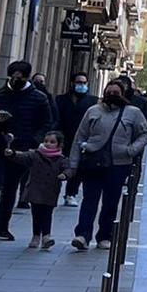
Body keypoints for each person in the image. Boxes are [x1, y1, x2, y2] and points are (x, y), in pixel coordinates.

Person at [68, 81, 147, 252]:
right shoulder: (93, 111)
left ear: (123, 94)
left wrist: (131, 150)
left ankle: (105, 236)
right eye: (110, 91)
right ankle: (82, 235)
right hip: (93, 161)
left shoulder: (133, 113)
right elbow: (80, 136)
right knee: (89, 199)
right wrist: (73, 164)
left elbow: (145, 133)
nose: (112, 95)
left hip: (118, 164)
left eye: (116, 92)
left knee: (110, 202)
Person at [0, 61, 56, 240]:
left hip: (22, 150)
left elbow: (47, 122)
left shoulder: (38, 98)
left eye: (20, 77)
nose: (16, 80)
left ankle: (2, 227)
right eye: (13, 77)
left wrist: (33, 141)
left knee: (10, 188)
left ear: (27, 77)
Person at [7, 131, 67, 249]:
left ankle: (46, 236)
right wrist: (13, 153)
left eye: (52, 142)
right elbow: (23, 156)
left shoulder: (60, 159)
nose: (48, 144)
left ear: (59, 145)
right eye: (46, 141)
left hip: (51, 190)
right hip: (35, 189)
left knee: (47, 213)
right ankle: (36, 235)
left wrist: (65, 175)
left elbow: (68, 168)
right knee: (36, 213)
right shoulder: (36, 154)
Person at [55, 71, 94, 204]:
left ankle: (71, 193)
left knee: (76, 167)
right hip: (63, 138)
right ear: (72, 83)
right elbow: (56, 118)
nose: (81, 85)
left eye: (84, 83)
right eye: (79, 82)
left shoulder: (92, 101)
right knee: (58, 165)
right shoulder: (60, 100)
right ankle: (54, 190)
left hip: (81, 140)